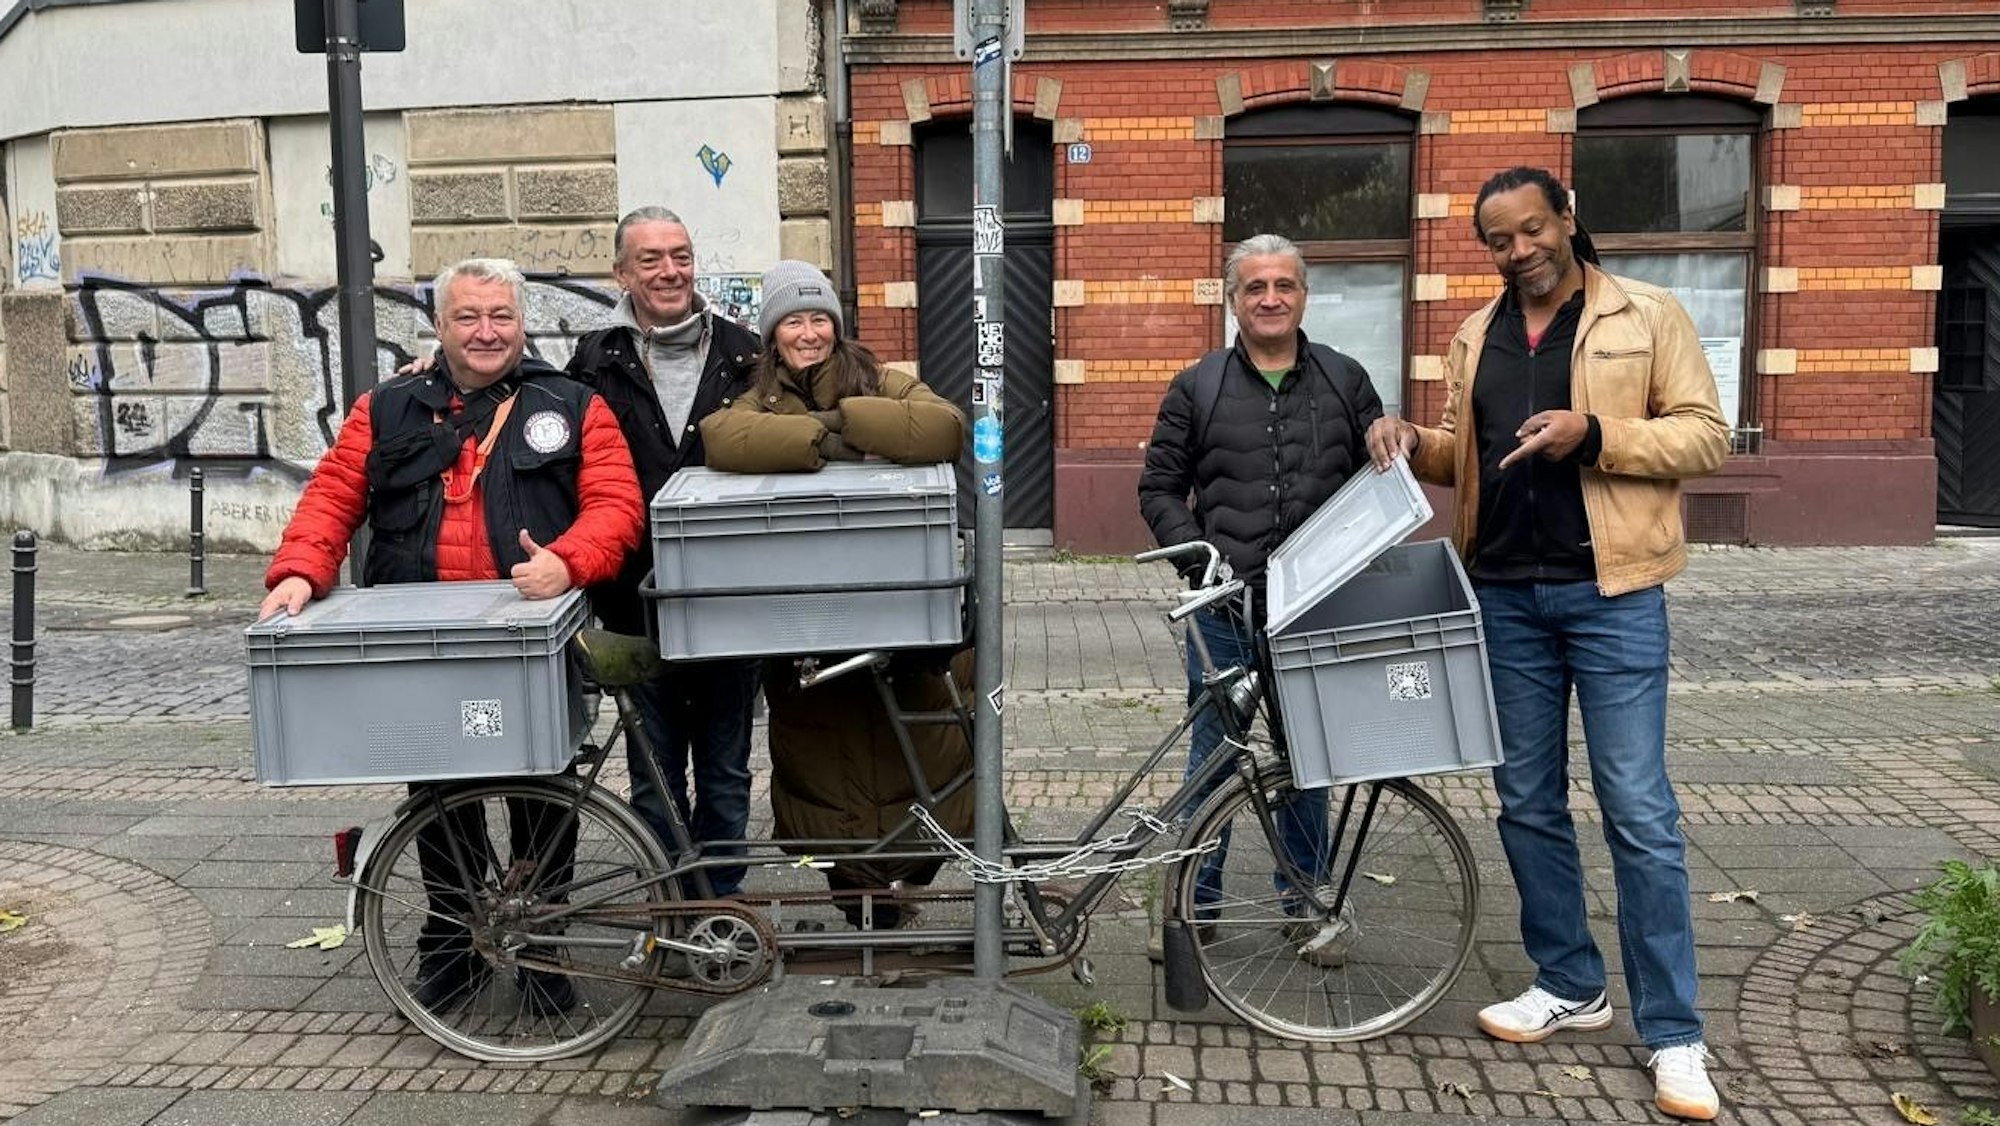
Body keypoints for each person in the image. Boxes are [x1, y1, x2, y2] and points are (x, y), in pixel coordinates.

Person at [1366, 166, 1729, 1121]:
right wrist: (1412, 439)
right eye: (1498, 238)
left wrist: (1595, 431)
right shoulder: (1475, 335)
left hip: (1612, 595)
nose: (1518, 250)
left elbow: (1705, 437)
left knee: (1638, 809)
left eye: (1532, 229)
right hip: (1504, 595)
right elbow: (1467, 452)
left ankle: (1674, 1033)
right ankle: (1569, 979)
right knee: (1525, 801)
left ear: (1568, 219)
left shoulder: (1645, 316)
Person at [261, 256, 645, 1015]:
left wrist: (567, 563)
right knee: (438, 794)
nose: (486, 331)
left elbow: (616, 504)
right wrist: (301, 570)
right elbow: (334, 492)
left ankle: (539, 943)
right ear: (439, 327)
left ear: (522, 321)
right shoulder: (388, 406)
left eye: (500, 315)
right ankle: (455, 941)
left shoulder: (570, 403)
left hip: (527, 641)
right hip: (424, 645)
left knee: (543, 790)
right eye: (468, 317)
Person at [1138, 233, 1384, 964]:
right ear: (1233, 299)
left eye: (1283, 285)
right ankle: (1192, 909)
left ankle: (1307, 906)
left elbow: (1379, 482)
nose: (1270, 298)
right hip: (1225, 611)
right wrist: (1200, 563)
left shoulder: (1346, 380)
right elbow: (1157, 488)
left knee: (1309, 761)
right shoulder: (1198, 386)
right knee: (1213, 759)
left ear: (1303, 296)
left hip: (1317, 608)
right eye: (1255, 287)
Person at [700, 259, 969, 927]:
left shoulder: (881, 379)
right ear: (773, 333)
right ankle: (856, 900)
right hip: (805, 619)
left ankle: (908, 876)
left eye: (820, 317)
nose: (810, 331)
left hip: (898, 608)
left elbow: (943, 427)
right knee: (823, 763)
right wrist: (826, 440)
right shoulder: (754, 398)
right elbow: (720, 438)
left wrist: (847, 415)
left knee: (920, 752)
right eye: (794, 319)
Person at [563, 207, 763, 897]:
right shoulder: (594, 358)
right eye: (650, 259)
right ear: (621, 273)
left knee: (726, 768)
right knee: (653, 771)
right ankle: (672, 904)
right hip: (628, 597)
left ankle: (722, 903)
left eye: (680, 254)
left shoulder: (747, 353)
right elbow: (525, 411)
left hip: (727, 599)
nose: (670, 270)